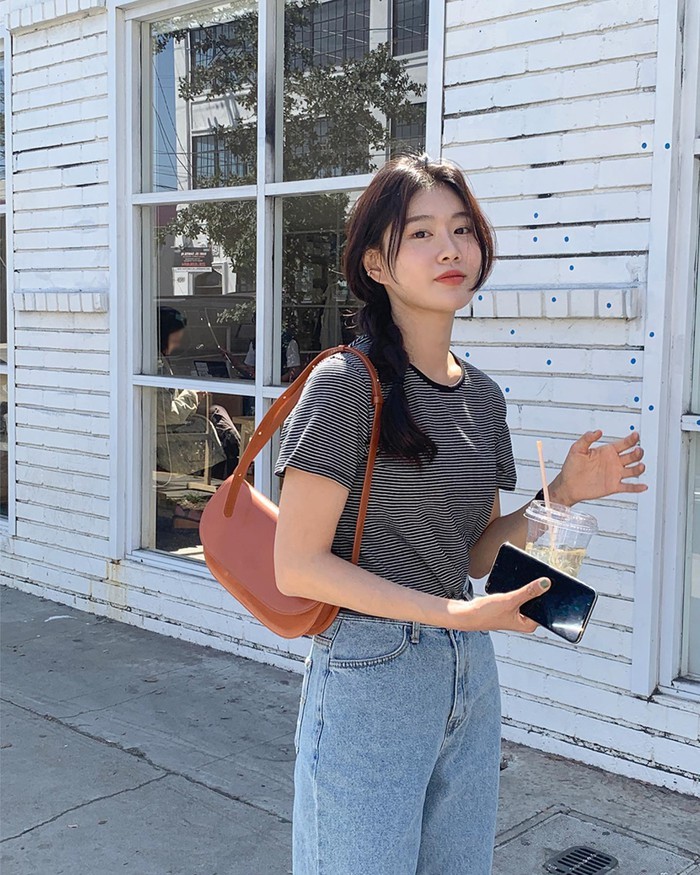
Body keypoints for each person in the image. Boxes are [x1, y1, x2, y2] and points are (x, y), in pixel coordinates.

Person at [272, 155, 648, 874]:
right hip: (371, 668)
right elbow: (298, 566)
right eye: (421, 233)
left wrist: (561, 493)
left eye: (462, 229)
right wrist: (455, 613)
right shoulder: (346, 383)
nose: (450, 249)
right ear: (376, 264)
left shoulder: (482, 395)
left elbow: (475, 552)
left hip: (468, 670)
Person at [157, 307, 240, 480]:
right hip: (166, 436)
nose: (178, 344)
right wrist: (192, 395)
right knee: (220, 428)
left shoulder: (156, 359)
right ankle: (235, 473)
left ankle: (239, 466)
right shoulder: (156, 364)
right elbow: (168, 413)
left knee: (216, 412)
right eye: (176, 338)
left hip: (168, 429)